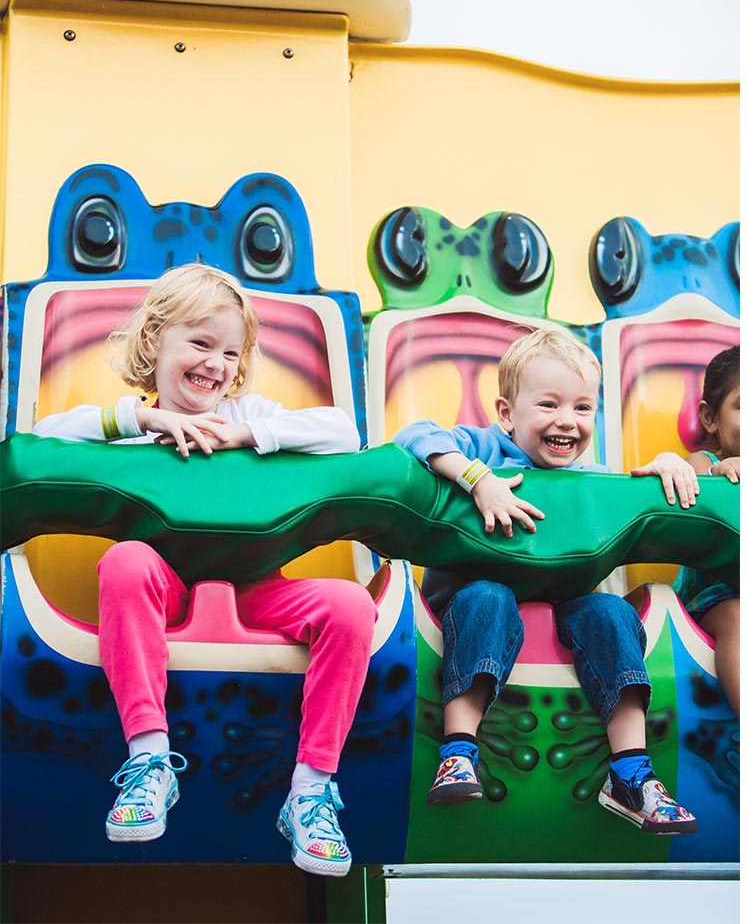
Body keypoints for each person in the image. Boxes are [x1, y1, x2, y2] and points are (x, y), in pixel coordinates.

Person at [32, 263, 370, 876]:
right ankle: (149, 761)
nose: (215, 363)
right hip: (163, 584)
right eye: (199, 343)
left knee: (350, 606)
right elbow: (45, 436)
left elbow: (342, 432)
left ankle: (312, 789)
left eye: (229, 352)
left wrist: (247, 434)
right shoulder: (132, 425)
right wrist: (146, 421)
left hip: (254, 587)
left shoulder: (247, 412)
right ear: (154, 342)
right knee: (126, 559)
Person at [394, 327, 701, 834]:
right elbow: (413, 437)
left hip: (563, 603)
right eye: (549, 404)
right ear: (508, 414)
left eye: (583, 408)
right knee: (489, 597)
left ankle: (631, 774)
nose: (567, 421)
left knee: (612, 612)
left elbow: (636, 491)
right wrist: (477, 479)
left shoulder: (589, 476)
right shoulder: (484, 449)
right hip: (478, 598)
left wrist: (668, 462)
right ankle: (457, 751)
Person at [673, 345, 742, 713]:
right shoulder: (704, 461)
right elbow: (697, 483)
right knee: (736, 614)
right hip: (707, 601)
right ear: (710, 417)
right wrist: (719, 473)